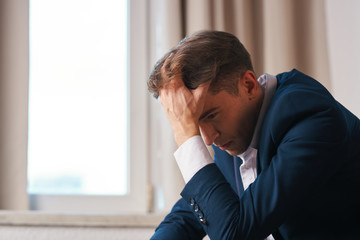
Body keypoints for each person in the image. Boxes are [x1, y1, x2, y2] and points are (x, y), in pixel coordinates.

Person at [147, 30, 360, 240]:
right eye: (194, 123)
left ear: (248, 85)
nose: (208, 139)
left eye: (211, 115)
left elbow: (236, 234)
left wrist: (186, 137)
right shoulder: (236, 132)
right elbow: (184, 219)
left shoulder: (312, 120)